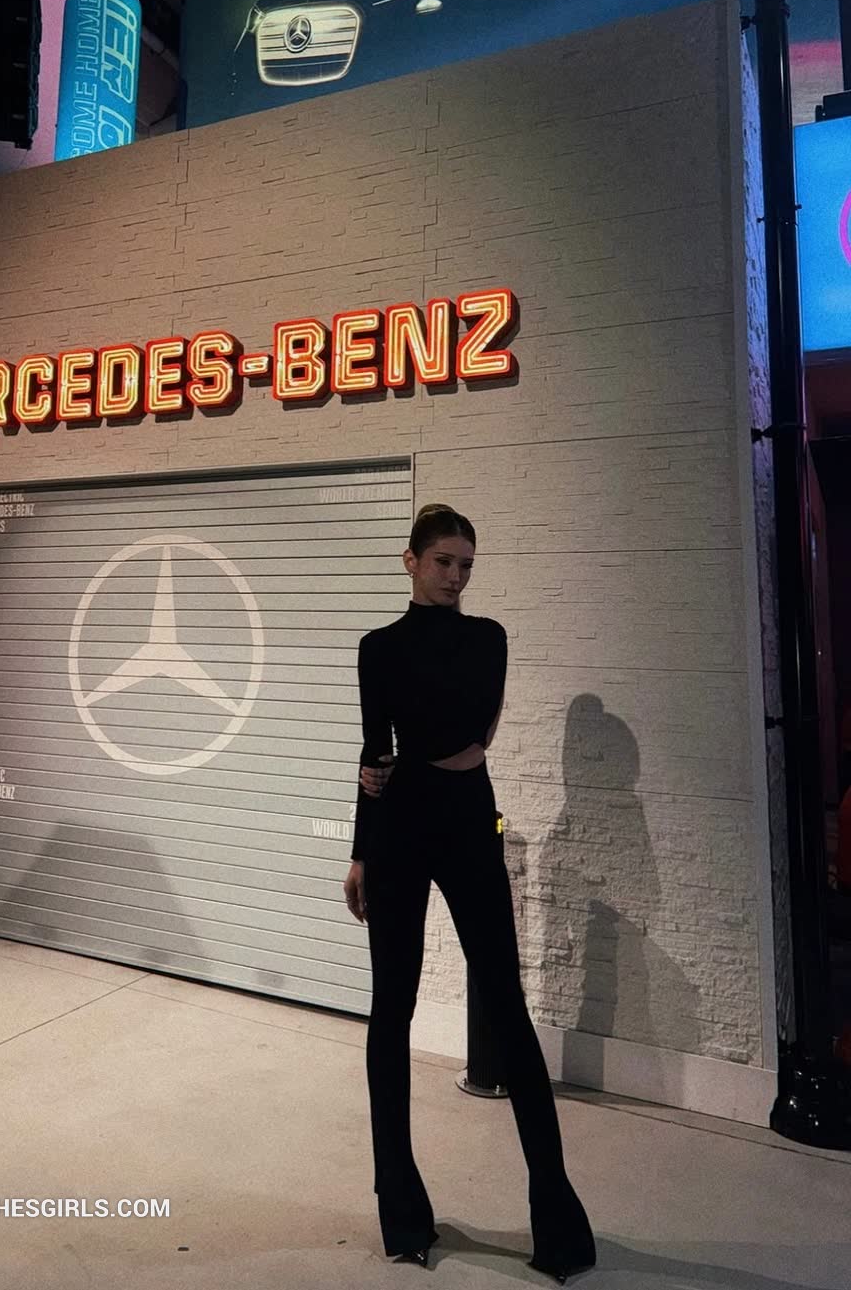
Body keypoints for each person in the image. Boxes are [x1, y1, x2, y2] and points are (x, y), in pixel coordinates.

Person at [342, 503, 596, 1284]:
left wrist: (397, 761)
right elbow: (375, 747)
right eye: (444, 561)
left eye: (466, 565)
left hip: (464, 823)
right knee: (391, 1011)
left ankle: (557, 1220)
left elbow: (465, 732)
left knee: (506, 1007)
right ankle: (401, 1212)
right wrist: (359, 850)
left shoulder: (488, 637)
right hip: (396, 832)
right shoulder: (376, 646)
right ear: (410, 561)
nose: (456, 576)